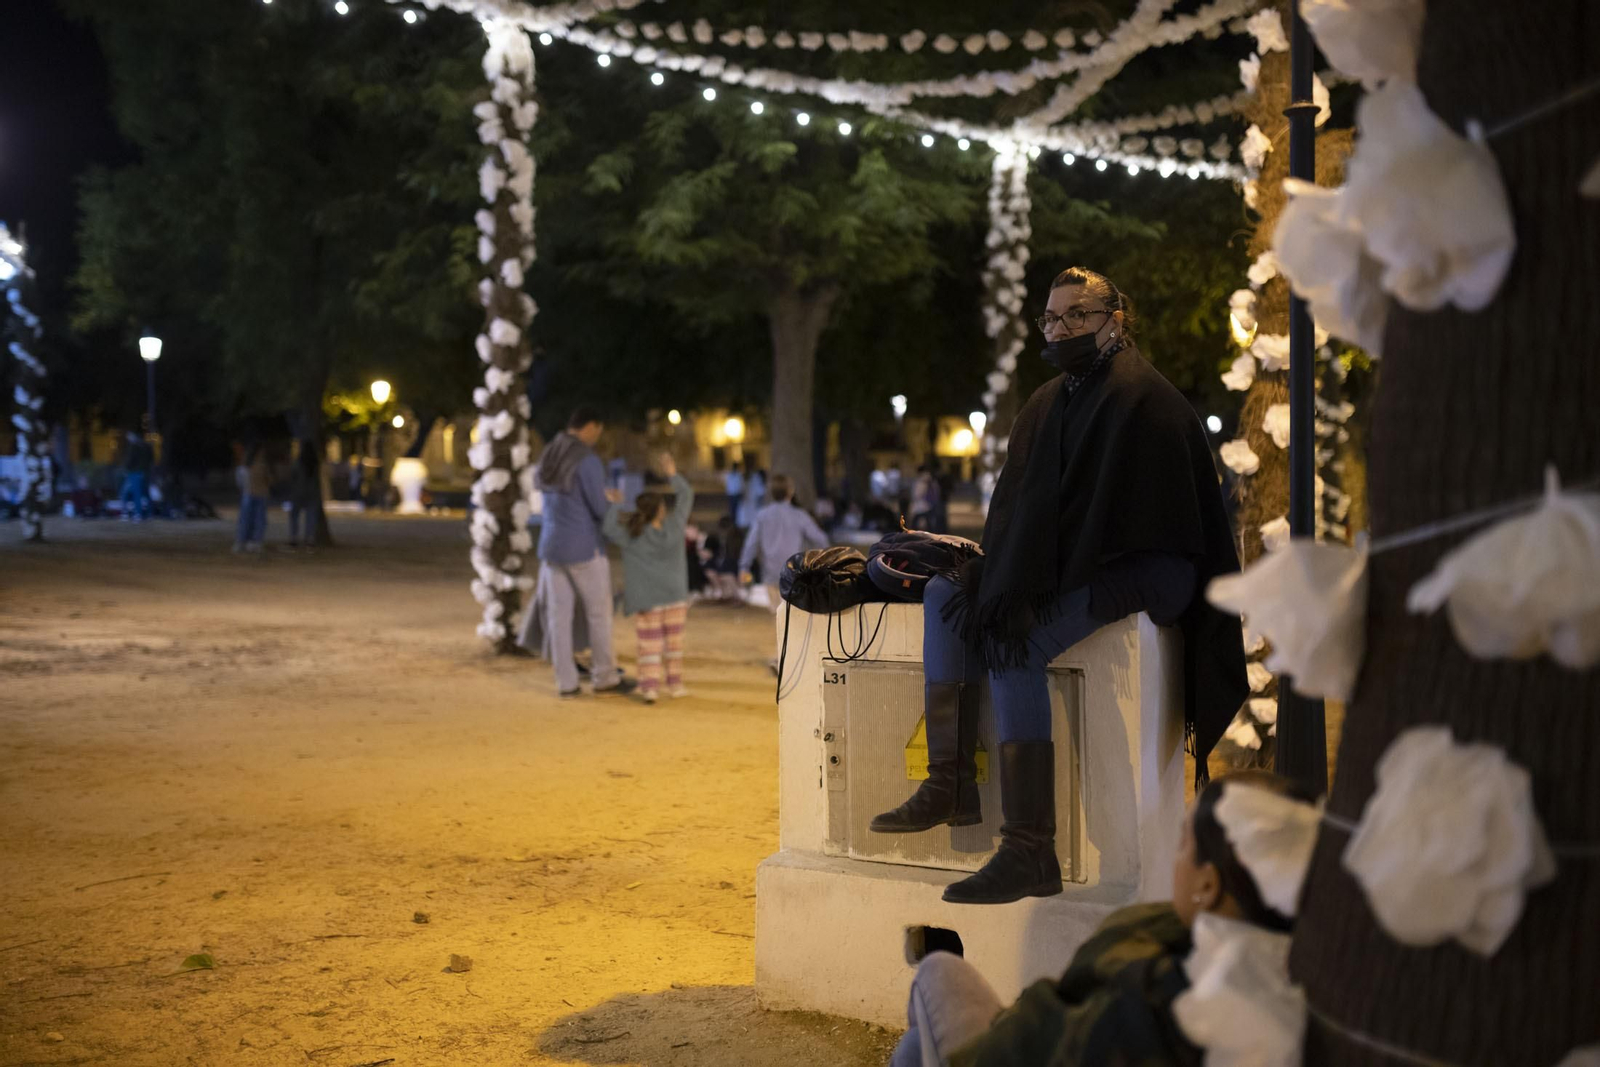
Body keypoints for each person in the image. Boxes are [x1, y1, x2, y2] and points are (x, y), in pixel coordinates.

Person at [870, 266, 1248, 905]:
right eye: (1051, 317)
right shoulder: (1052, 400)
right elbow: (1025, 509)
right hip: (1077, 562)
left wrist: (1034, 586)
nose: (1061, 327)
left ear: (1115, 319)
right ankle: (950, 781)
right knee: (948, 595)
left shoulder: (1143, 399)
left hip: (1145, 567)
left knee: (1017, 641)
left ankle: (1028, 848)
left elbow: (1144, 526)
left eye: (1077, 314)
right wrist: (1002, 572)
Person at [890, 772, 1314, 1067]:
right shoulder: (1302, 974)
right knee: (913, 1050)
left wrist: (1027, 1009)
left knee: (937, 970)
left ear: (1209, 884)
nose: (1174, 857)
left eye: (1183, 842)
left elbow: (1025, 1046)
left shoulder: (1153, 990)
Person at [535, 406, 635, 699]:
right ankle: (604, 675)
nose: (597, 437)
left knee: (559, 617)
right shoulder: (587, 460)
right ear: (591, 426)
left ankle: (565, 681)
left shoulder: (550, 451)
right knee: (599, 614)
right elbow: (598, 508)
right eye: (598, 431)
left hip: (551, 545)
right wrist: (613, 501)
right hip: (583, 547)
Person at [602, 454, 695, 704]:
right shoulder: (674, 528)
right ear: (662, 510)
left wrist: (613, 505)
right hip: (675, 595)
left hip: (646, 599)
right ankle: (675, 684)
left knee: (649, 646)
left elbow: (609, 529)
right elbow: (686, 497)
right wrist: (672, 473)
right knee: (674, 645)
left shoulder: (632, 536)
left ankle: (650, 687)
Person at [738, 473, 828, 613]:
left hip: (770, 571)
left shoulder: (762, 515)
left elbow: (751, 543)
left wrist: (744, 566)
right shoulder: (799, 515)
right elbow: (820, 539)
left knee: (777, 615)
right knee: (792, 615)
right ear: (790, 491)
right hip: (794, 573)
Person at [233, 441, 271, 553]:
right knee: (258, 520)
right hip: (260, 494)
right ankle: (255, 542)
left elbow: (240, 481)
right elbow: (269, 480)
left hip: (248, 494)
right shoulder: (262, 465)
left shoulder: (245, 466)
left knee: (246, 519)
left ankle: (242, 541)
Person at [288, 439, 321, 549]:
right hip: (312, 493)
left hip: (298, 492)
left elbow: (292, 476)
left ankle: (293, 538)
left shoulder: (299, 462)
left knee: (294, 515)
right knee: (310, 516)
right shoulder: (315, 463)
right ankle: (309, 539)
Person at [119, 431, 153, 522]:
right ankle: (148, 513)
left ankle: (135, 514)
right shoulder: (146, 446)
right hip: (144, 473)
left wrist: (126, 469)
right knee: (144, 493)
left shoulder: (134, 446)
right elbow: (150, 459)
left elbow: (130, 459)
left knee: (132, 493)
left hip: (134, 472)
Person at [910, 465, 943, 531]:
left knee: (914, 523)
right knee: (929, 524)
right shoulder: (931, 480)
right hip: (931, 504)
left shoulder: (921, 481)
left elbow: (917, 494)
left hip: (921, 505)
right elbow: (937, 491)